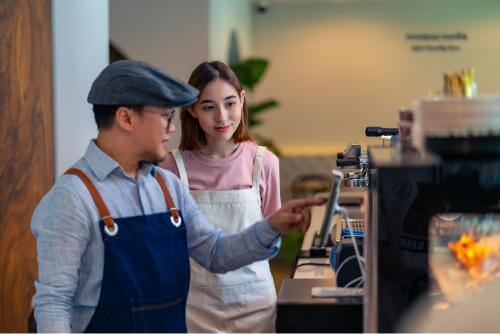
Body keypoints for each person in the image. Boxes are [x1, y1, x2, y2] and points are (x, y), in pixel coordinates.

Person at [31, 60, 325, 333]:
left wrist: (272, 225)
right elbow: (54, 304)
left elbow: (215, 252)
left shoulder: (167, 186)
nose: (173, 127)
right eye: (164, 116)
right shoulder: (72, 197)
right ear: (125, 118)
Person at [160, 61, 280, 332]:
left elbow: (273, 238)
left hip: (256, 305)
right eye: (208, 107)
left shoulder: (264, 163)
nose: (222, 117)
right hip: (195, 305)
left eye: (229, 103)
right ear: (191, 110)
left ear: (242, 100)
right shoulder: (171, 169)